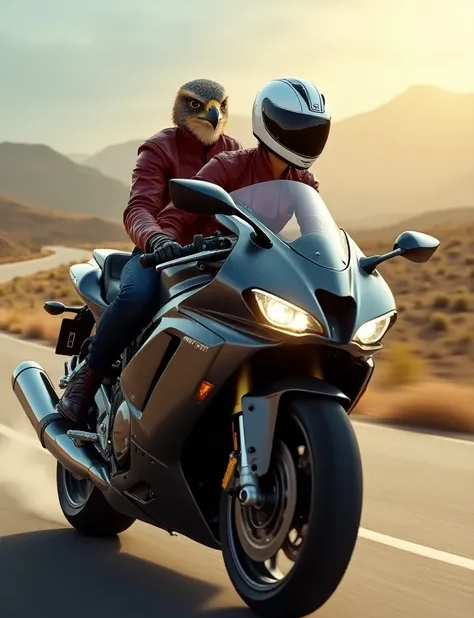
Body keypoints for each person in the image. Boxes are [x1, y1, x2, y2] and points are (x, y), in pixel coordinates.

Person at [57, 78, 240, 427]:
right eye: (197, 105)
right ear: (180, 107)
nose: (212, 113)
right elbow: (138, 208)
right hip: (156, 256)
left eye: (219, 105)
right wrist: (156, 240)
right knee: (136, 298)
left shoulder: (234, 153)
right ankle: (88, 379)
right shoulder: (160, 148)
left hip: (216, 262)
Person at [149, 76, 331, 259]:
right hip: (207, 265)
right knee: (138, 288)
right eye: (296, 127)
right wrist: (166, 241)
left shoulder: (304, 182)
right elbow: (176, 214)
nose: (306, 138)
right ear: (269, 120)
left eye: (314, 129)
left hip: (261, 265)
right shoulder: (227, 166)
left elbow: (317, 234)